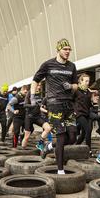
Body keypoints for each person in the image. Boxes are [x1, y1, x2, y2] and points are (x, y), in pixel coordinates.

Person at [30, 38, 78, 174]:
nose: (68, 52)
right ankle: (60, 170)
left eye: (69, 49)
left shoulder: (72, 66)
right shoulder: (48, 64)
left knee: (73, 137)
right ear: (58, 50)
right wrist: (33, 97)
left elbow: (76, 85)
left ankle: (49, 146)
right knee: (61, 137)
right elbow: (35, 80)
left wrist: (71, 86)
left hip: (68, 104)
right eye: (65, 49)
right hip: (54, 103)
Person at [22, 83, 51, 150]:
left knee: (48, 128)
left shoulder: (39, 93)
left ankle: (39, 144)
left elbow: (39, 106)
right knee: (26, 137)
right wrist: (33, 105)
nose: (39, 87)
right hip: (29, 117)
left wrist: (44, 109)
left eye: (40, 85)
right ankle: (23, 151)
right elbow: (25, 105)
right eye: (38, 85)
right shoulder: (30, 93)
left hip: (37, 116)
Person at [74, 74, 94, 151]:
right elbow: (70, 101)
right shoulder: (76, 90)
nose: (87, 83)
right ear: (80, 81)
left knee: (84, 133)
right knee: (88, 130)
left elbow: (89, 103)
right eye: (86, 81)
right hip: (79, 114)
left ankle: (75, 147)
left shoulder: (88, 92)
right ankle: (89, 150)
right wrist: (74, 111)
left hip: (87, 113)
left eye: (88, 81)